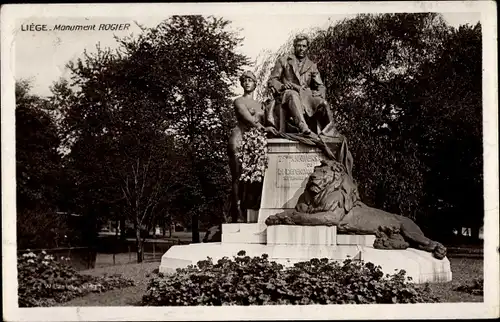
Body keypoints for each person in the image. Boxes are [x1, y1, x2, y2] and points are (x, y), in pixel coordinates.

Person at [228, 71, 277, 223]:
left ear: (255, 84)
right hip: (240, 139)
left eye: (250, 80)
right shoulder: (238, 101)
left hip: (256, 142)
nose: (247, 83)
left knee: (256, 178)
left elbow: (270, 120)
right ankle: (237, 213)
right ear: (242, 84)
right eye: (245, 80)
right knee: (238, 176)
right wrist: (263, 128)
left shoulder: (261, 104)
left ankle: (251, 209)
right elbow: (247, 118)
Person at [268, 34, 336, 136]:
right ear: (294, 46)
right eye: (299, 45)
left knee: (323, 103)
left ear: (307, 47)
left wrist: (320, 93)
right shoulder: (284, 60)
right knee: (292, 95)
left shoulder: (312, 66)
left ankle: (328, 130)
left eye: (304, 46)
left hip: (305, 95)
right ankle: (302, 126)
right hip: (286, 94)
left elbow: (321, 86)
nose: (301, 48)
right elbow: (272, 80)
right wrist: (281, 86)